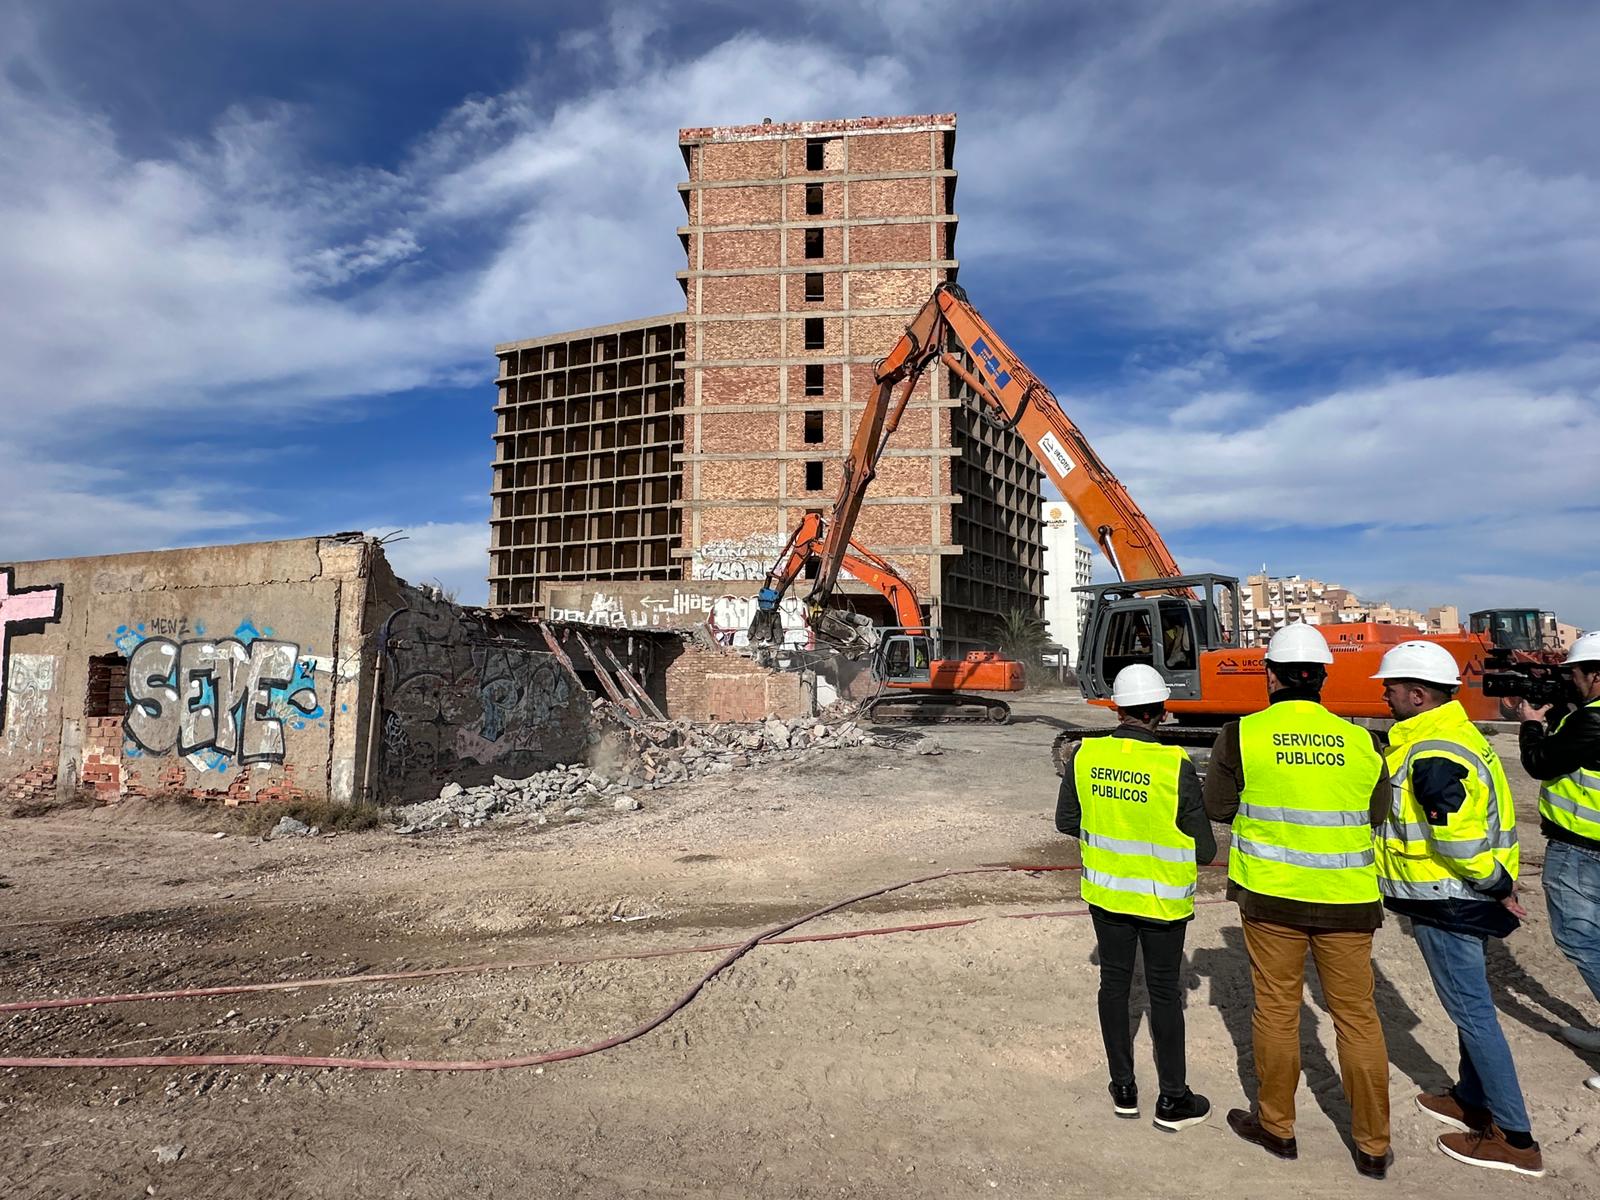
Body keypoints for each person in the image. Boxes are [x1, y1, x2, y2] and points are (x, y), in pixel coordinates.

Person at [1203, 623, 1394, 1179]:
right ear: (1324, 679)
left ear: (1270, 675)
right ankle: (1373, 1146)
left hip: (1271, 899)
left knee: (1278, 1010)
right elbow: (1377, 813)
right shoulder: (1362, 741)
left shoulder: (1244, 733)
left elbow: (1217, 807)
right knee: (1357, 1018)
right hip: (1348, 900)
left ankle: (1278, 1127)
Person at [1372, 641, 1543, 1176]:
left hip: (1448, 899)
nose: (1385, 694)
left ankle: (1515, 1139)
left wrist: (1494, 883)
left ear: (1418, 694)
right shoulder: (1450, 734)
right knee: (1473, 1007)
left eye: (1391, 688)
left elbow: (1459, 836)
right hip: (1455, 894)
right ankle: (1471, 1097)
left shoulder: (1433, 750)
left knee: (1472, 1013)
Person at [1056, 664, 1217, 1132]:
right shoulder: (1172, 764)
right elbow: (1204, 849)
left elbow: (1068, 820)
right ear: (1160, 711)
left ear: (1118, 707)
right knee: (1164, 993)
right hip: (1161, 901)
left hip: (1107, 894)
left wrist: (1111, 827)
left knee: (1114, 986)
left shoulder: (1085, 756)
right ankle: (1173, 1100)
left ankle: (1123, 1089)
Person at [1516, 629, 1600, 1093]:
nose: (1570, 682)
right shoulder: (1585, 717)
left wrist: (1531, 723)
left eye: (1575, 674)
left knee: (1582, 942)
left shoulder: (1592, 722)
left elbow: (1540, 764)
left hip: (1582, 849)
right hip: (1589, 848)